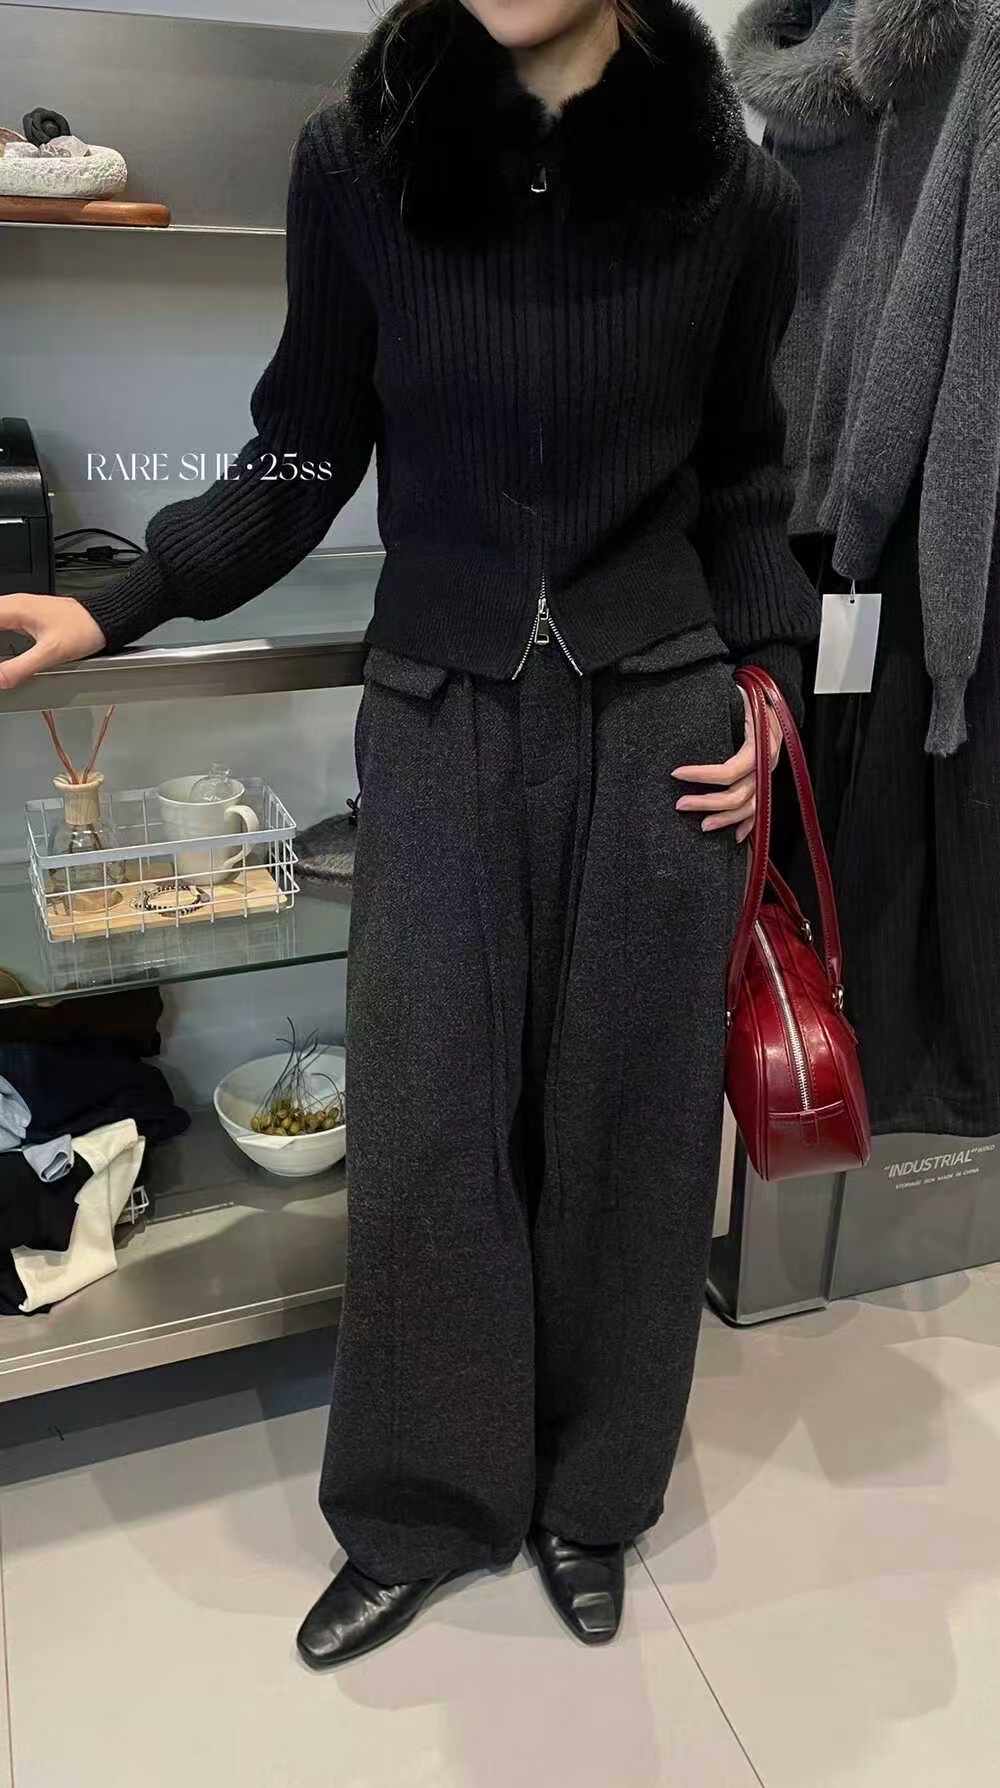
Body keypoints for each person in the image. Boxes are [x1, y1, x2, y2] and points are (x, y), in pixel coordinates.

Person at [0, 0, 818, 1663]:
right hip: (441, 710)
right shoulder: (357, 160)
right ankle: (423, 1507)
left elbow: (746, 476)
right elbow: (302, 449)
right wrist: (125, 596)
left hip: (663, 723)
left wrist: (774, 688)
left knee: (634, 1130)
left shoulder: (735, 185)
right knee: (430, 1121)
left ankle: (595, 1496)